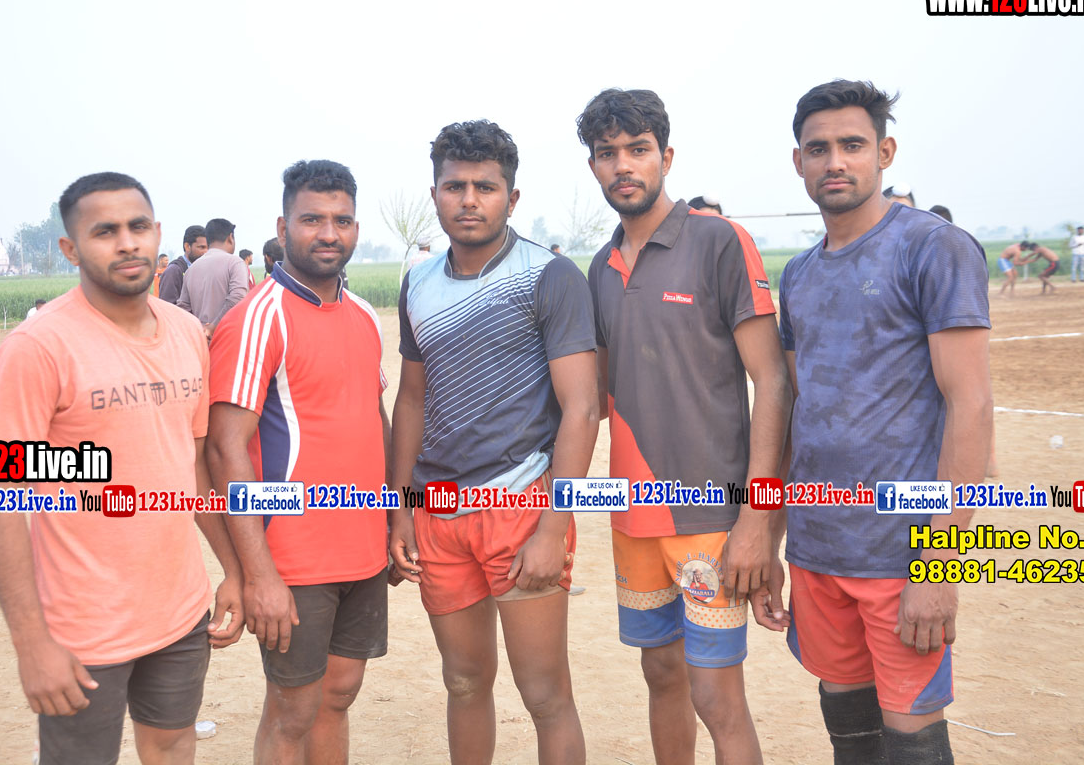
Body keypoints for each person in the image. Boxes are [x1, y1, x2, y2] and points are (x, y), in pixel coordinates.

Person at [756, 79, 991, 764]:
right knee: (850, 732)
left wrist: (939, 564)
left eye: (852, 145)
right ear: (797, 162)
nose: (835, 161)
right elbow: (798, 413)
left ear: (883, 153)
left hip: (901, 554)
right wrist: (770, 537)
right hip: (819, 549)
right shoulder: (799, 274)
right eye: (818, 149)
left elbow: (970, 406)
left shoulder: (933, 249)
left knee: (912, 738)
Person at [0, 172, 244, 765]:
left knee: (172, 744)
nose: (127, 243)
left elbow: (193, 467)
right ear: (70, 249)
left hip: (180, 611)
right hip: (83, 625)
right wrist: (31, 643)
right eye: (104, 232)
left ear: (158, 234)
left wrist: (233, 569)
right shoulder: (38, 347)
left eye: (138, 226)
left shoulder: (185, 333)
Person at [579, 88, 790, 765]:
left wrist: (758, 519)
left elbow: (774, 382)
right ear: (593, 166)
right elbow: (595, 396)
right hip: (633, 515)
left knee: (716, 697)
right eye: (607, 153)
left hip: (711, 516)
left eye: (637, 149)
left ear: (665, 157)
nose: (623, 165)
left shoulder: (718, 241)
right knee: (661, 675)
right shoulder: (600, 267)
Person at [390, 120, 597, 765]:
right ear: (435, 194)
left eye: (485, 187)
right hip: (437, 512)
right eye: (455, 186)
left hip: (521, 506)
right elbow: (411, 399)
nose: (469, 200)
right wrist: (399, 508)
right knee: (463, 682)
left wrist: (554, 526)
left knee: (544, 694)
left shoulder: (549, 276)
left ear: (512, 197)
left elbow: (583, 407)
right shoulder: (418, 281)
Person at [207, 159, 390, 765]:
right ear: (283, 228)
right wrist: (258, 573)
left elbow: (373, 419)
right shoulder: (257, 319)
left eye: (342, 220)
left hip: (362, 548)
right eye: (312, 220)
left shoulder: (364, 315)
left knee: (339, 694)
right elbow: (225, 448)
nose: (329, 233)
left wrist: (393, 520)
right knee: (292, 712)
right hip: (293, 557)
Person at [177, 218, 249, 338]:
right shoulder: (235, 263)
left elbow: (183, 308)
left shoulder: (191, 269)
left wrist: (200, 330)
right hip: (227, 339)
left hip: (200, 340)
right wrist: (213, 327)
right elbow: (238, 297)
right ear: (230, 238)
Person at [158, 226, 208, 305]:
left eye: (208, 248)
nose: (206, 252)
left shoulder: (204, 271)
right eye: (202, 247)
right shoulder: (173, 272)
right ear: (187, 246)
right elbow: (167, 306)